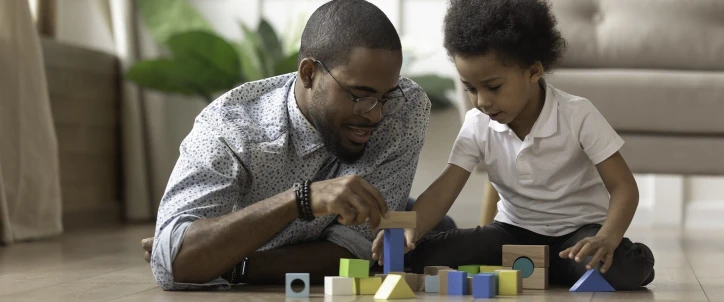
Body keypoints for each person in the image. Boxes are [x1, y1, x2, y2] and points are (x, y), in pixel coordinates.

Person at [142, 0, 436, 290]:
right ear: (309, 74)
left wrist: (231, 264)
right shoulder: (229, 128)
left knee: (432, 237)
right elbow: (175, 263)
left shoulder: (404, 108)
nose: (375, 114)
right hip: (312, 227)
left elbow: (352, 251)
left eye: (384, 97)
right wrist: (301, 200)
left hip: (391, 216)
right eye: (359, 95)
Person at [372, 0, 655, 290]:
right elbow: (445, 188)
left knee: (624, 267)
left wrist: (607, 237)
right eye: (470, 88)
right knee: (423, 255)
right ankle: (544, 270)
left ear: (533, 72)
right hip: (511, 232)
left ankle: (574, 265)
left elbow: (623, 187)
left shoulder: (578, 114)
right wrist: (410, 228)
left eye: (493, 87)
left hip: (577, 234)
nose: (482, 101)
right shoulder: (477, 123)